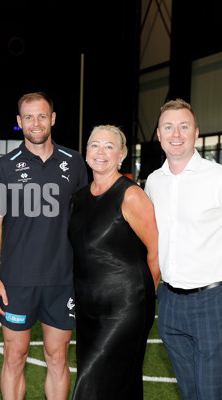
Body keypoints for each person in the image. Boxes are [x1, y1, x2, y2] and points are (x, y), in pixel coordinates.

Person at [145, 99, 222, 400]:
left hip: (214, 301)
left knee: (213, 394)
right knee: (190, 392)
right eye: (168, 127)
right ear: (159, 135)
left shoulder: (221, 178)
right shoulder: (153, 183)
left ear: (196, 133)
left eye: (184, 126)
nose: (176, 133)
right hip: (170, 304)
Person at [0, 92, 88, 399]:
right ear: (19, 122)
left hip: (62, 281)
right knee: (14, 358)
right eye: (28, 117)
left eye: (42, 116)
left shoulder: (76, 162)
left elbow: (85, 222)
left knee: (58, 359)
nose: (36, 123)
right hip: (17, 281)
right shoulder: (2, 166)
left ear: (53, 119)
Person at [67, 125, 161, 399]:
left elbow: (155, 251)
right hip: (87, 308)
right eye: (95, 145)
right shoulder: (79, 198)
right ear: (86, 152)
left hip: (125, 308)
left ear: (121, 155)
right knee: (121, 385)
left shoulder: (131, 195)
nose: (101, 152)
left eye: (109, 146)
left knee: (90, 385)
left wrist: (144, 298)